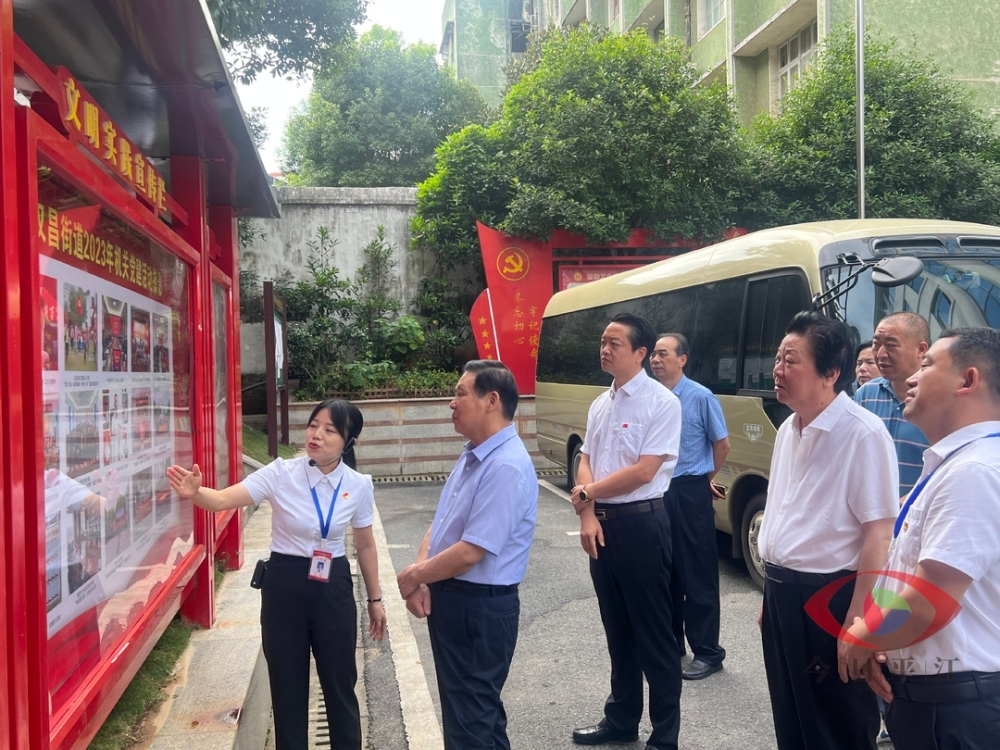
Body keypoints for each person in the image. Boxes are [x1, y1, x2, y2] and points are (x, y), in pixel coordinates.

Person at [167, 400, 386, 750]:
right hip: (284, 584)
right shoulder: (281, 472)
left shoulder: (358, 485)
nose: (317, 434)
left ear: (348, 442)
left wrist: (375, 599)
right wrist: (196, 493)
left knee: (340, 683)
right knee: (287, 685)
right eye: (313, 425)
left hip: (333, 585)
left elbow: (366, 544)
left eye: (329, 430)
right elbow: (222, 499)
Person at [841, 327, 1000, 750]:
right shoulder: (958, 464)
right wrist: (886, 645)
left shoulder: (973, 472)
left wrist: (861, 638)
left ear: (967, 380)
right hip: (936, 698)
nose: (911, 377)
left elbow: (930, 601)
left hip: (953, 711)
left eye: (927, 365)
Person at [757, 311, 898, 750]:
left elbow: (879, 534)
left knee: (836, 725)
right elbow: (783, 512)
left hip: (829, 600)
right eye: (778, 359)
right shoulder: (788, 428)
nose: (778, 370)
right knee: (792, 717)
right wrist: (771, 593)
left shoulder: (863, 433)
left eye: (791, 361)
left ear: (831, 372)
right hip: (782, 596)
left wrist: (858, 623)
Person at [396, 360, 538, 750]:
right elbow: (443, 522)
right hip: (458, 602)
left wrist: (415, 576)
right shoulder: (475, 454)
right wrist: (424, 572)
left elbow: (471, 550)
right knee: (477, 718)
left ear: (491, 400)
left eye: (460, 393)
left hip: (478, 610)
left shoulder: (505, 466)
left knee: (469, 727)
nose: (451, 402)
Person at [569, 313, 682, 750]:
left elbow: (644, 471)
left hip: (642, 524)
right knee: (617, 630)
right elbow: (586, 458)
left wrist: (587, 493)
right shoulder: (601, 403)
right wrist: (587, 513)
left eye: (614, 343)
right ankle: (621, 719)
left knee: (654, 634)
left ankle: (664, 736)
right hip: (602, 526)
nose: (605, 348)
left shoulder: (661, 403)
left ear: (640, 353)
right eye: (603, 341)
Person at [649, 332, 729, 680]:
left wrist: (702, 478)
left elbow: (721, 445)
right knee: (664, 571)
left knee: (697, 573)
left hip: (689, 491)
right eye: (653, 354)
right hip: (657, 492)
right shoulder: (651, 397)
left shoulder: (700, 397)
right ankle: (673, 643)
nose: (655, 360)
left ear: (682, 360)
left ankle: (708, 652)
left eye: (663, 354)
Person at [855, 312, 931, 497]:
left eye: (890, 345)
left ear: (921, 350)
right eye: (876, 344)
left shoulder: (940, 399)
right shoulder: (865, 394)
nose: (880, 354)